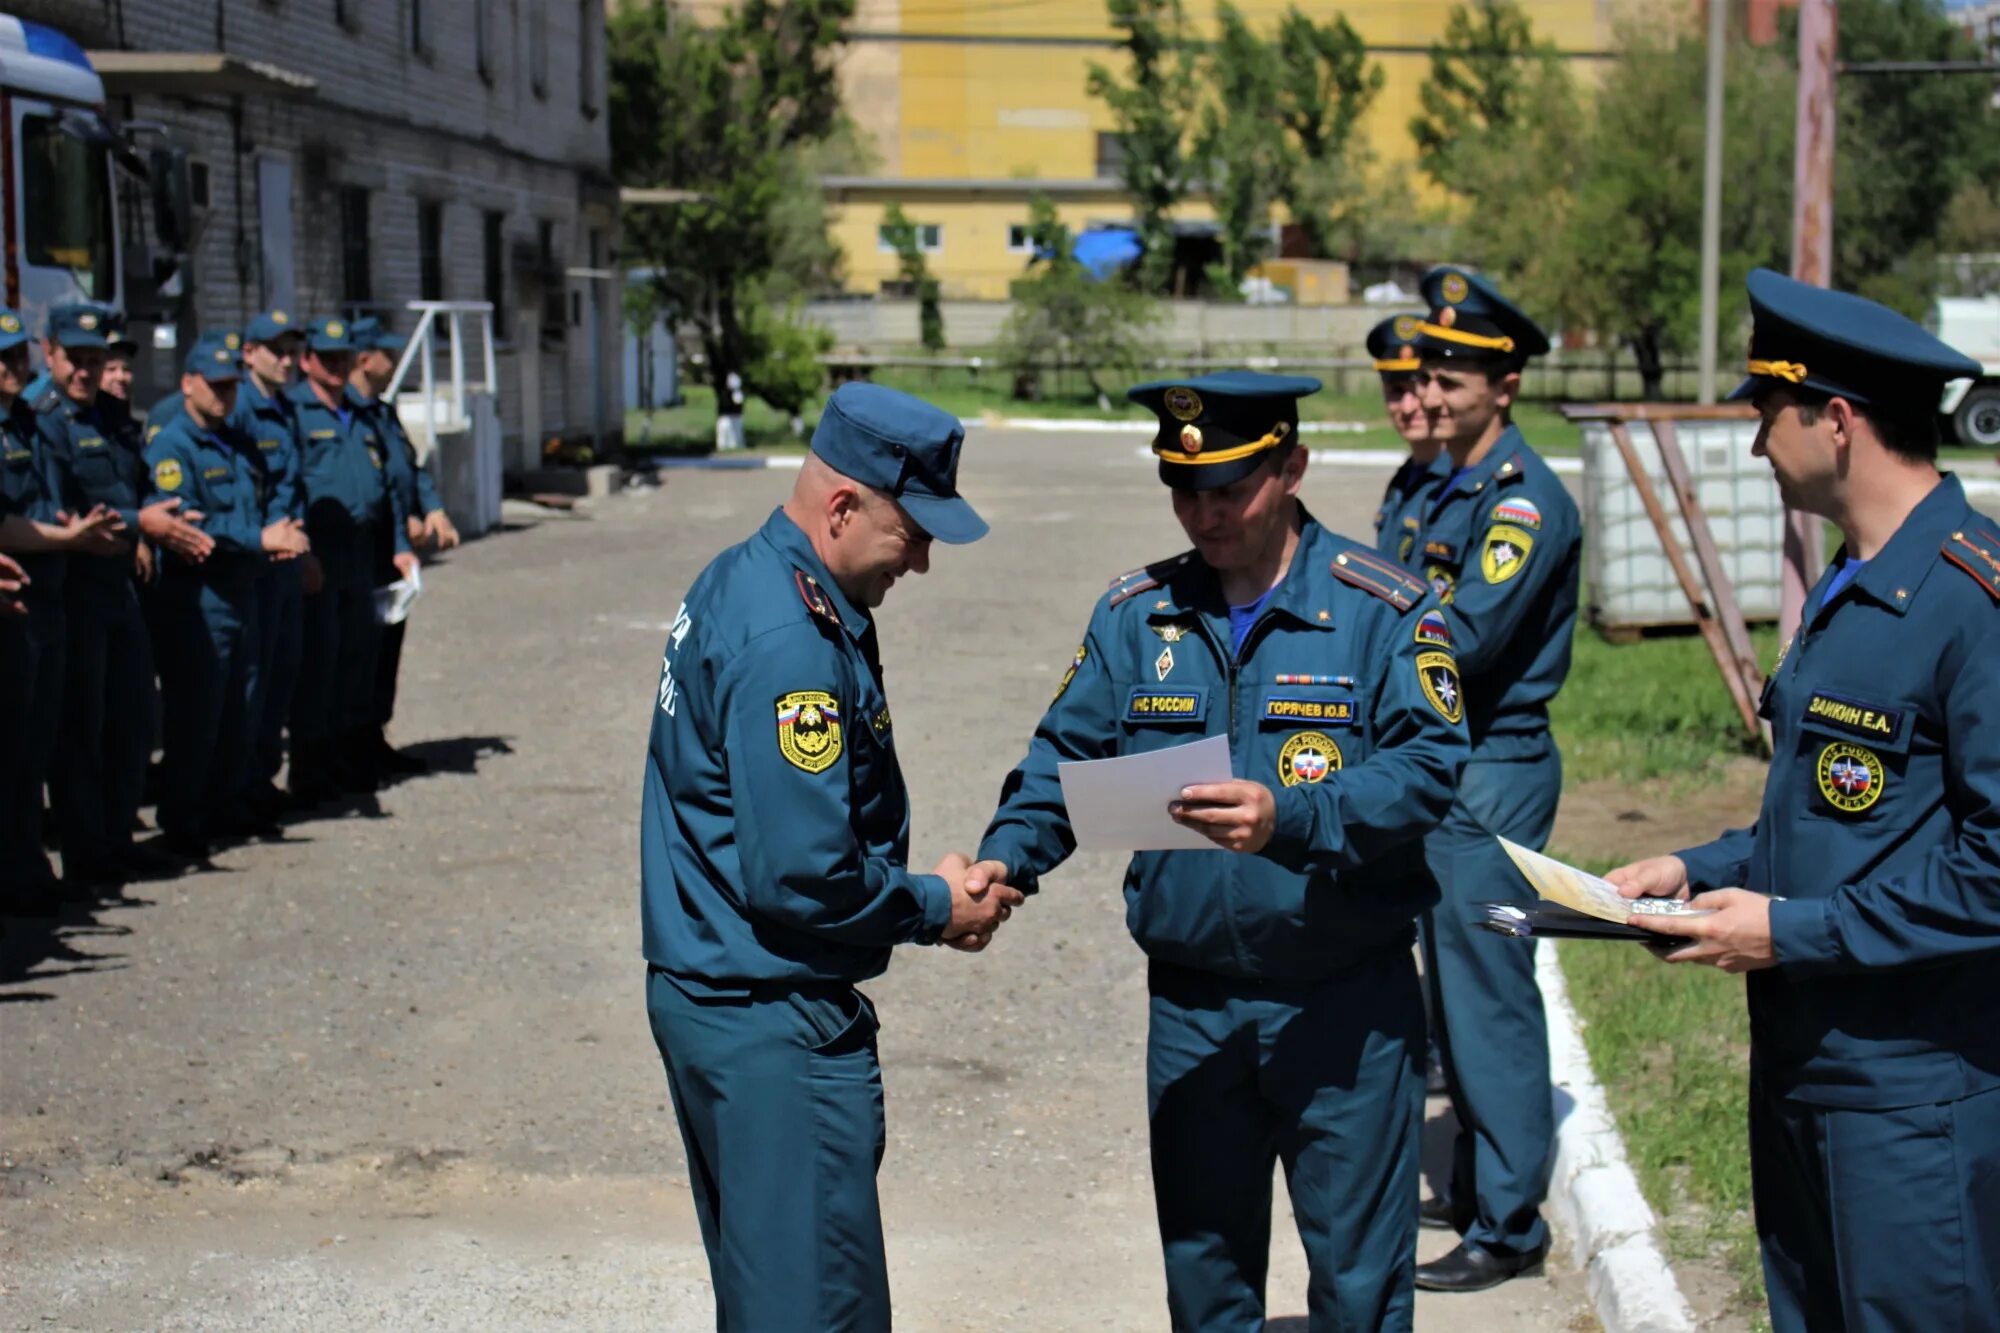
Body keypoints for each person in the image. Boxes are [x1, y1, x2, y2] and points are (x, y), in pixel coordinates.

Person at [968, 372, 1469, 1330]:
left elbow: (1429, 765)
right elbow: (1064, 760)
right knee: (1206, 1288)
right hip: (1194, 1006)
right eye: (1184, 488)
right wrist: (1008, 857)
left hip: (1345, 1009)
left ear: (1292, 468)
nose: (1206, 511)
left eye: (1231, 486)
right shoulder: (1136, 614)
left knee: (1360, 1292)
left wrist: (1295, 814)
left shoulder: (1383, 610)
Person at [1611, 269, 2000, 1332]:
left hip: (1909, 1101)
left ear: (1833, 421)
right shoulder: (1849, 583)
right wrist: (1698, 871)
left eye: (1763, 417)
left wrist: (1791, 930)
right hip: (1803, 1070)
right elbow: (1832, 822)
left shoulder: (1970, 604)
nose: (1751, 446)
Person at [641, 381, 1018, 1331]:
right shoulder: (791, 642)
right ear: (842, 506)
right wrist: (935, 903)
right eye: (914, 532)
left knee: (771, 1296)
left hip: (719, 998)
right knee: (814, 1309)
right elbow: (803, 874)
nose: (924, 561)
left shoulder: (745, 576)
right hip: (770, 1021)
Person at [1391, 266, 1581, 1293]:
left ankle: (1509, 1225)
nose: (1439, 384)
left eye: (1460, 370)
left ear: (1503, 385)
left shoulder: (1520, 501)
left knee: (1487, 998)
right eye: (1434, 366)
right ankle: (1473, 1181)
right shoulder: (1445, 485)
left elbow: (1459, 637)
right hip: (1447, 769)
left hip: (1491, 771)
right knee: (1453, 1001)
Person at [36, 306, 210, 883]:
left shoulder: (111, 415)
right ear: (51, 354)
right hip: (77, 592)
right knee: (83, 728)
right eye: (77, 361)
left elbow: (131, 484)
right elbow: (66, 516)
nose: (87, 372)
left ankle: (116, 838)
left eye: (96, 361)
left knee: (133, 717)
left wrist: (154, 521)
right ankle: (87, 855)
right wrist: (143, 524)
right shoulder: (46, 420)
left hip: (120, 588)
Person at [143, 331, 309, 861]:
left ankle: (226, 803)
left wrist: (277, 530)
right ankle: (183, 820)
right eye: (214, 386)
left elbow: (255, 504)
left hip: (245, 591)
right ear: (188, 383)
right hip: (201, 598)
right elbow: (190, 525)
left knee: (243, 707)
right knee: (198, 713)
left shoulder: (236, 442)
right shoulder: (172, 447)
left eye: (230, 387)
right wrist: (259, 538)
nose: (224, 395)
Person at [0, 307, 125, 907]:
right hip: (16, 602)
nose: (11, 367)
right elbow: (8, 522)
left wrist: (72, 531)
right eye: (2, 359)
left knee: (37, 746)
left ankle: (29, 872)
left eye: (14, 355)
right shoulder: (30, 418)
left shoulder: (25, 421)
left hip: (49, 599)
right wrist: (66, 539)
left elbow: (50, 501)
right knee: (16, 749)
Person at [287, 316, 414, 803]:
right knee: (321, 666)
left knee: (358, 659)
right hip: (322, 553)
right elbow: (287, 485)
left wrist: (400, 541)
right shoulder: (296, 413)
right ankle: (311, 769)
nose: (337, 366)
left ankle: (347, 756)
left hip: (363, 551)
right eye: (327, 358)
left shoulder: (360, 414)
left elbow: (389, 486)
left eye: (343, 357)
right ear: (308, 360)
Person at [350, 317, 457, 777]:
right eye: (388, 355)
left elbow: (410, 470)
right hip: (363, 550)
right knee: (356, 652)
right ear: (364, 358)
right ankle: (349, 745)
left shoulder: (382, 411)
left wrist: (430, 509)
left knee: (386, 646)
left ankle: (373, 737)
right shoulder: (349, 413)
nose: (395, 364)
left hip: (395, 550)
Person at [229, 310, 309, 820]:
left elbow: (292, 487)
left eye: (292, 351)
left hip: (286, 564)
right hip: (252, 562)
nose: (287, 360)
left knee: (281, 676)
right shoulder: (235, 407)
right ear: (248, 354)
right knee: (248, 682)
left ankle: (260, 781)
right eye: (275, 350)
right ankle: (236, 789)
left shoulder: (285, 407)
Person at [1369, 314, 1448, 565]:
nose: (1407, 407)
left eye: (1416, 390)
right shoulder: (1404, 480)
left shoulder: (1459, 481)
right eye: (1396, 392)